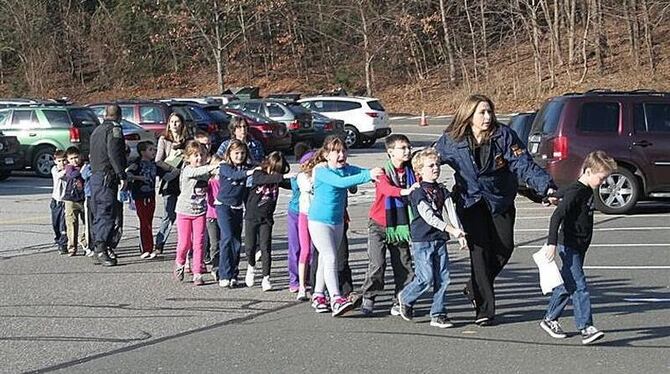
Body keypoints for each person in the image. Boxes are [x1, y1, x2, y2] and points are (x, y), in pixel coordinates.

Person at [434, 94, 557, 326]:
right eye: (482, 113)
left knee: (504, 248)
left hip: (499, 199)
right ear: (469, 115)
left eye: (490, 111)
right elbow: (429, 159)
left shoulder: (503, 135)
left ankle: (474, 287)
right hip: (470, 202)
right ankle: (484, 309)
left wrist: (547, 187)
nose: (488, 117)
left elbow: (524, 164)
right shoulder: (452, 139)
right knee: (479, 254)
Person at [539, 151, 616, 345]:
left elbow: (564, 191)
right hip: (569, 245)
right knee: (580, 286)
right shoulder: (577, 191)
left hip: (580, 245)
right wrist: (551, 243)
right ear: (589, 171)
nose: (603, 182)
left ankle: (549, 319)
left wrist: (553, 196)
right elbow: (556, 217)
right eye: (602, 178)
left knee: (568, 283)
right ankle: (586, 327)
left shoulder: (584, 188)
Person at [308, 136, 383, 316]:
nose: (341, 155)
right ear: (326, 154)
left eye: (343, 151)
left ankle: (318, 295)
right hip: (318, 221)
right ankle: (336, 298)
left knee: (326, 260)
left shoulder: (346, 169)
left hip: (337, 220)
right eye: (336, 151)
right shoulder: (321, 170)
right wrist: (368, 175)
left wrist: (377, 172)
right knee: (330, 256)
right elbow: (341, 182)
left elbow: (360, 172)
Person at [397, 149, 467, 328]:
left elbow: (450, 210)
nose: (435, 168)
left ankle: (438, 313)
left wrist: (459, 232)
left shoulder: (442, 189)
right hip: (422, 239)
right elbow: (428, 215)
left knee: (443, 278)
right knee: (426, 278)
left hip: (439, 238)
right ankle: (405, 297)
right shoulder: (418, 192)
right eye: (430, 165)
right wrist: (450, 229)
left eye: (437, 164)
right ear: (419, 170)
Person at [358, 134, 418, 316]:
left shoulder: (412, 172)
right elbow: (386, 190)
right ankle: (369, 296)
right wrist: (405, 191)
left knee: (404, 264)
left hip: (400, 225)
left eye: (409, 147)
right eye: (403, 148)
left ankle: (400, 298)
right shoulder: (382, 172)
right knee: (377, 264)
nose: (407, 151)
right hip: (379, 224)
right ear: (390, 152)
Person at [173, 141, 220, 286]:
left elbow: (218, 175)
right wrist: (212, 167)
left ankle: (197, 272)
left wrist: (221, 168)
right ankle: (180, 262)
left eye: (201, 155)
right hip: (184, 211)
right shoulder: (188, 170)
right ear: (188, 158)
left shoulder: (206, 170)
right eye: (195, 156)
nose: (199, 158)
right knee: (185, 243)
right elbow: (197, 172)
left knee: (199, 243)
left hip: (200, 212)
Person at [244, 152, 293, 291]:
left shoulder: (278, 179)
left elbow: (289, 183)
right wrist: (281, 177)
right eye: (274, 169)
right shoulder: (258, 173)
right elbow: (263, 180)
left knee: (266, 248)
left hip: (267, 218)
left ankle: (266, 277)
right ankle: (251, 267)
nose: (276, 174)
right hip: (252, 216)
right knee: (249, 247)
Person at [89, 104, 128, 266]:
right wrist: (121, 174)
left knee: (98, 212)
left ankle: (96, 247)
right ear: (119, 116)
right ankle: (101, 248)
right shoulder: (114, 129)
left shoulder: (97, 130)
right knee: (107, 212)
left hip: (96, 176)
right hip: (107, 176)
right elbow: (114, 152)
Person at [216, 139, 256, 288]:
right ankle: (224, 274)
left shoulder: (247, 167)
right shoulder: (225, 167)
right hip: (223, 206)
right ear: (230, 154)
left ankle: (233, 273)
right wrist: (250, 172)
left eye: (242, 153)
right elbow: (234, 175)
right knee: (226, 237)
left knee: (236, 242)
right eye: (236, 153)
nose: (239, 156)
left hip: (237, 207)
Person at [127, 141, 176, 259]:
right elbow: (128, 174)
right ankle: (146, 248)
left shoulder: (155, 165)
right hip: (140, 196)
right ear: (143, 152)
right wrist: (139, 177)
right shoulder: (137, 164)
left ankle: (148, 247)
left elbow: (167, 176)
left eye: (154, 149)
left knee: (149, 221)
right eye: (150, 150)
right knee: (144, 222)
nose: (154, 152)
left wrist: (177, 171)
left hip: (150, 195)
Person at [154, 112, 189, 254]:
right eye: (172, 121)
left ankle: (185, 244)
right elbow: (158, 160)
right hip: (169, 181)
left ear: (182, 124)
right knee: (169, 214)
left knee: (185, 215)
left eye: (177, 121)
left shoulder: (188, 140)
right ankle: (159, 243)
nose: (174, 124)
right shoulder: (164, 139)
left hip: (185, 182)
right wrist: (172, 169)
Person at [287, 143, 312, 295]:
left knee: (312, 249)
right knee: (296, 248)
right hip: (297, 212)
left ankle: (309, 278)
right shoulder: (298, 178)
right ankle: (294, 280)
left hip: (313, 214)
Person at [62, 146, 87, 256]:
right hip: (71, 199)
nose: (74, 161)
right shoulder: (69, 168)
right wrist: (81, 171)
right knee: (71, 223)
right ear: (68, 160)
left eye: (76, 157)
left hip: (84, 198)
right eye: (71, 159)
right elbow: (73, 175)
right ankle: (72, 247)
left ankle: (85, 241)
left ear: (81, 156)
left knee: (88, 223)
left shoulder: (86, 166)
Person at [206, 154, 223, 280]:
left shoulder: (225, 181)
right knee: (215, 243)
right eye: (216, 167)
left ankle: (224, 266)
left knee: (225, 242)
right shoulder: (210, 182)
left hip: (224, 215)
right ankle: (215, 267)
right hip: (211, 216)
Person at [50, 149, 68, 255]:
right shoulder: (54, 170)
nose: (62, 163)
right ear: (55, 161)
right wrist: (69, 169)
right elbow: (60, 175)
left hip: (65, 201)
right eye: (60, 161)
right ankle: (58, 239)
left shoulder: (69, 171)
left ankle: (63, 244)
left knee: (63, 225)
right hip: (55, 201)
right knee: (55, 224)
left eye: (64, 161)